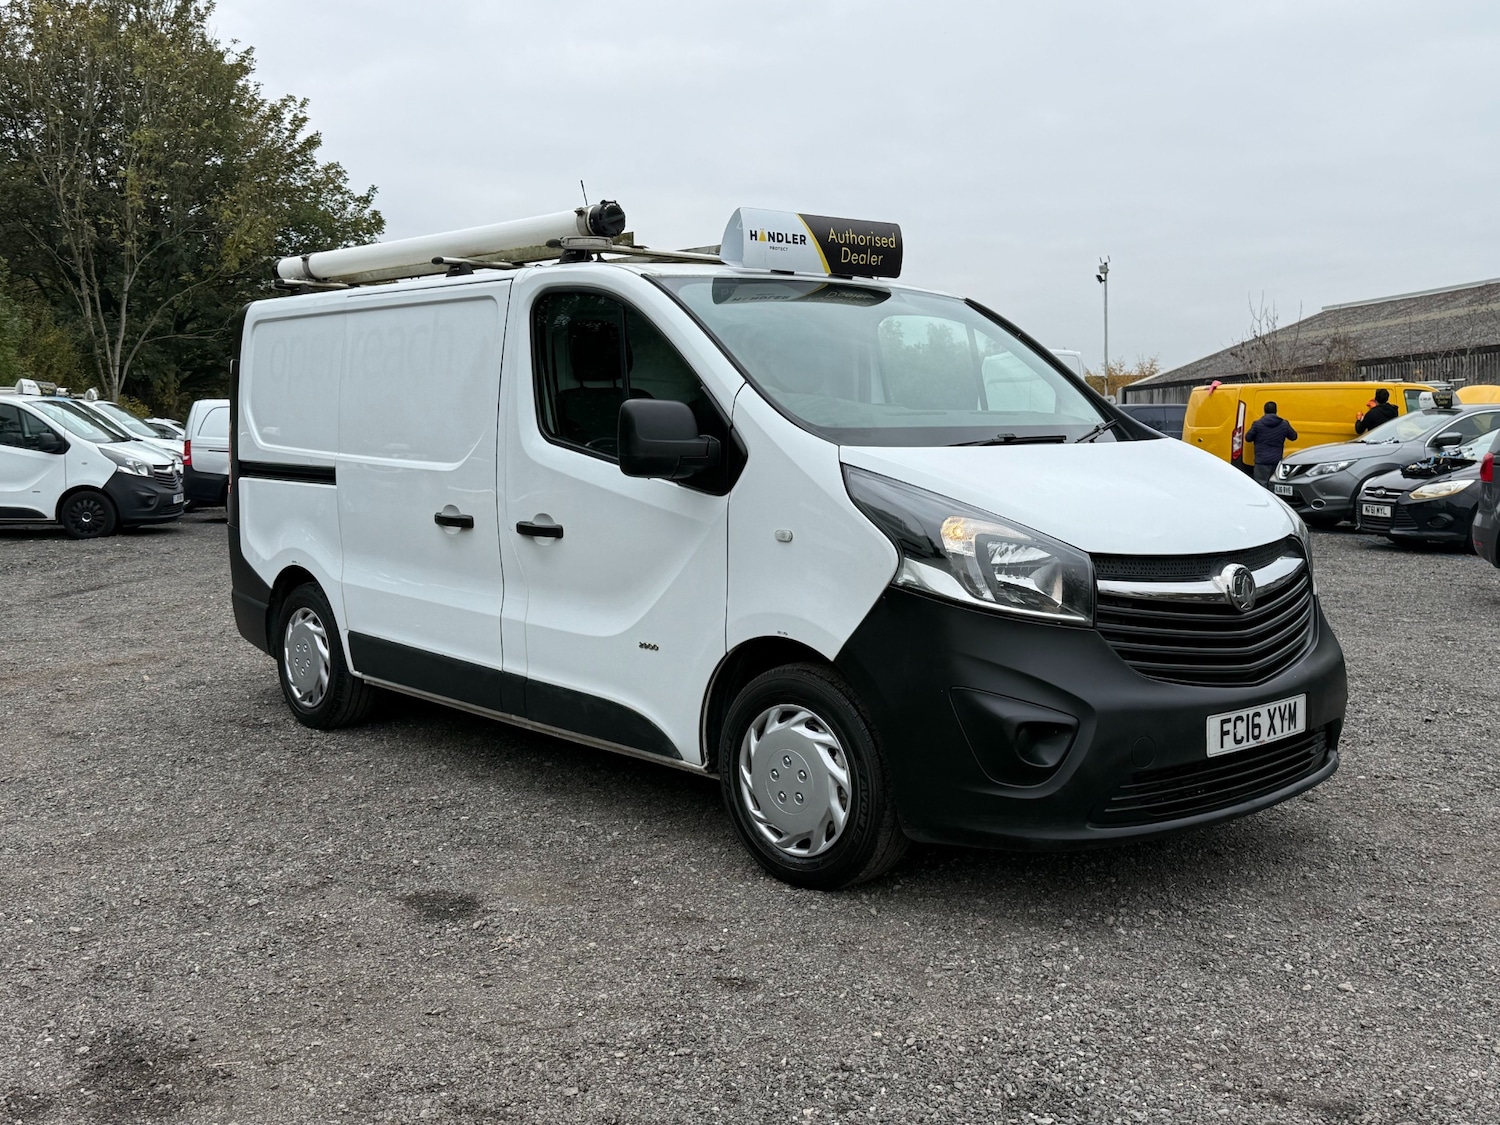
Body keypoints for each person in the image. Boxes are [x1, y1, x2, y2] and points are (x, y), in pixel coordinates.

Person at [1244, 401, 1297, 487]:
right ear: (1276, 411)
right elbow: (1294, 437)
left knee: (1261, 485)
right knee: (1274, 485)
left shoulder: (1257, 424)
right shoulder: (1284, 424)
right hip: (1276, 461)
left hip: (1261, 461)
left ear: (1264, 411)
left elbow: (1248, 438)